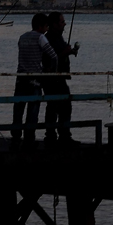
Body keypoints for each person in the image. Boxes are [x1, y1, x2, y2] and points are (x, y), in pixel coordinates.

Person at [11, 13, 58, 150]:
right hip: (34, 81)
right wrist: (51, 71)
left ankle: (15, 139)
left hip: (20, 80)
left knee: (18, 111)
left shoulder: (22, 37)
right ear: (41, 26)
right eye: (46, 26)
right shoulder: (41, 37)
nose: (47, 29)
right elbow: (54, 56)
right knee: (32, 113)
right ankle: (29, 140)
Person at [43, 11, 79, 147]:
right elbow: (52, 57)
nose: (64, 24)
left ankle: (63, 135)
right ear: (54, 24)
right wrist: (66, 51)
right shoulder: (48, 39)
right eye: (62, 22)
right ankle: (52, 136)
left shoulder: (58, 38)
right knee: (53, 107)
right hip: (52, 79)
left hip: (60, 78)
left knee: (65, 106)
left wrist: (69, 51)